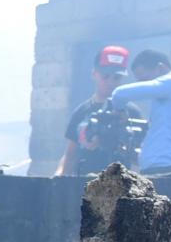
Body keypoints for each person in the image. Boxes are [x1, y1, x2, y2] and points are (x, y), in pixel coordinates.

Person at [110, 48, 171, 175]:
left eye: (146, 80)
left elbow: (119, 94)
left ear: (161, 68)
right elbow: (166, 139)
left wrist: (119, 111)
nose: (142, 85)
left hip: (164, 171)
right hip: (170, 169)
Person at [56, 45, 138, 175]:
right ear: (94, 74)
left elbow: (140, 157)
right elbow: (70, 155)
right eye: (105, 76)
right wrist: (58, 180)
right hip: (85, 187)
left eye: (116, 77)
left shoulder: (131, 112)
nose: (111, 82)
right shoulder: (82, 111)